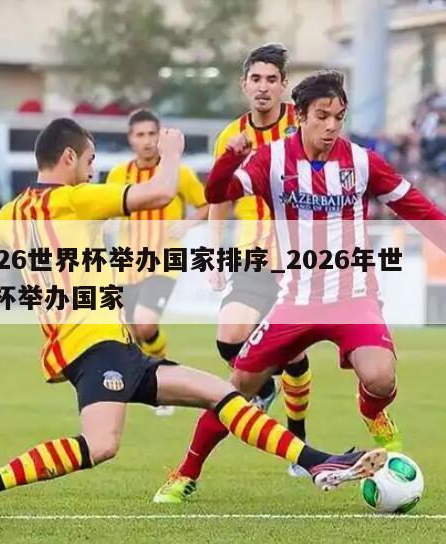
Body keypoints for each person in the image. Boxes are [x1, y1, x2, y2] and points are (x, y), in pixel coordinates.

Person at [0, 118, 387, 524]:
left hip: (108, 346)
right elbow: (158, 193)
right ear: (68, 158)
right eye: (90, 159)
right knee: (101, 445)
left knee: (222, 394)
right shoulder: (72, 199)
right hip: (95, 347)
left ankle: (317, 461)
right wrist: (174, 151)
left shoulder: (15, 210)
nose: (93, 170)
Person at [173, 70, 446, 502]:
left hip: (353, 296)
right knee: (237, 389)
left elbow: (417, 207)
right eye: (322, 116)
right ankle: (185, 473)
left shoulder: (362, 162)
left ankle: (372, 410)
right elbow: (219, 193)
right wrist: (228, 160)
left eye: (339, 117)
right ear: (300, 116)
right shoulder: (271, 159)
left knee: (380, 378)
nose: (331, 126)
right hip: (296, 299)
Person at [153, 44, 312, 504]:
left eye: (271, 80)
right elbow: (219, 198)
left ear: (284, 85)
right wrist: (215, 253)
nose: (263, 88)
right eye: (255, 79)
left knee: (294, 351)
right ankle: (266, 388)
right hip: (251, 256)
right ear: (244, 85)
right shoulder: (231, 136)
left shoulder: (301, 126)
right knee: (229, 339)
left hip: (299, 259)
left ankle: (297, 431)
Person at [106, 110, 208, 414]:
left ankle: (163, 383)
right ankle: (148, 382)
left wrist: (187, 224)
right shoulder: (118, 175)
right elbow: (108, 209)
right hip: (127, 263)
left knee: (145, 322)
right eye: (141, 135)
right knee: (131, 333)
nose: (147, 141)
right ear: (131, 139)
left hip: (165, 260)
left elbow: (207, 204)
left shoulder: (178, 173)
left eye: (152, 134)